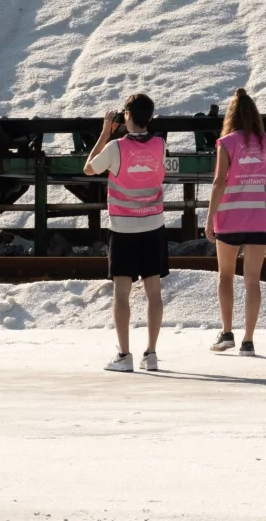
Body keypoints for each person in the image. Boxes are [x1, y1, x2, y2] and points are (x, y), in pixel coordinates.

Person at [84, 93, 168, 373]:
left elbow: (89, 168)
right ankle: (152, 354)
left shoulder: (115, 147)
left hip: (122, 227)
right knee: (153, 292)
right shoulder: (160, 145)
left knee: (122, 293)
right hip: (153, 224)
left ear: (127, 117)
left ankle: (124, 355)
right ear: (150, 118)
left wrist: (104, 134)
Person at [205, 87, 266, 356]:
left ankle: (227, 333)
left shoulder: (226, 143)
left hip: (230, 217)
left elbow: (218, 182)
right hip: (260, 217)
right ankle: (249, 340)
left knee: (225, 275)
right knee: (252, 280)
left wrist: (210, 217)